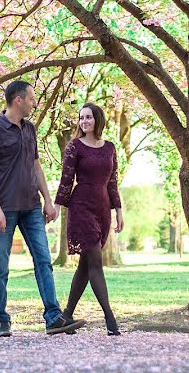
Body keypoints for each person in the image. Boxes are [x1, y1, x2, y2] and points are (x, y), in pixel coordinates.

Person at [0, 80, 87, 337]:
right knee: (0, 266)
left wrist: (48, 201)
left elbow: (36, 166)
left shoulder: (29, 129)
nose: (34, 103)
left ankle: (53, 318)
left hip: (31, 207)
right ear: (18, 100)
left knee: (43, 261)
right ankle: (2, 320)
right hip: (5, 208)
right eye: (31, 98)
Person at [54, 103, 124, 335]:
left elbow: (112, 182)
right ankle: (110, 318)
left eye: (88, 118)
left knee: (85, 265)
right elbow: (66, 178)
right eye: (81, 118)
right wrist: (55, 206)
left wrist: (119, 211)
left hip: (102, 209)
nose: (83, 122)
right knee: (95, 261)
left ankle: (66, 316)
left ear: (98, 120)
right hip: (81, 206)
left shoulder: (110, 148)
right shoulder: (75, 146)